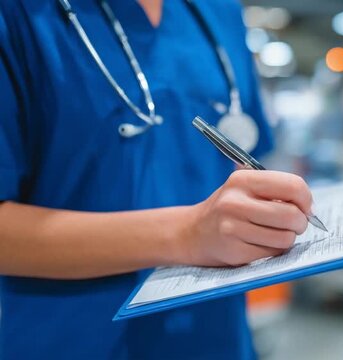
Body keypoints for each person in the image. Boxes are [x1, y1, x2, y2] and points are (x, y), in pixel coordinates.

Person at [0, 1, 313, 359]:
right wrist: (186, 234)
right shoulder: (21, 14)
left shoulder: (219, 13)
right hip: (77, 340)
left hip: (217, 338)